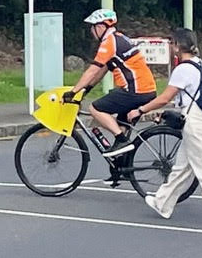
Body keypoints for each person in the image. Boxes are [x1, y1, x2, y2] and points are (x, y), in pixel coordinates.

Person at [130, 28, 202, 229]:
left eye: (172, 43)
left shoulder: (183, 69)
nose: (171, 47)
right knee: (183, 167)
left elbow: (165, 98)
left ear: (177, 45)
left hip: (195, 123)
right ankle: (162, 203)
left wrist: (140, 110)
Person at [64, 9, 157, 157]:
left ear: (101, 27)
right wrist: (87, 88)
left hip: (135, 90)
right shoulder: (119, 38)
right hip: (144, 89)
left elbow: (92, 70)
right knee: (121, 126)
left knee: (95, 109)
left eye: (92, 27)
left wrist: (73, 91)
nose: (91, 31)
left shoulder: (109, 43)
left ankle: (121, 140)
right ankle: (121, 168)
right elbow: (102, 70)